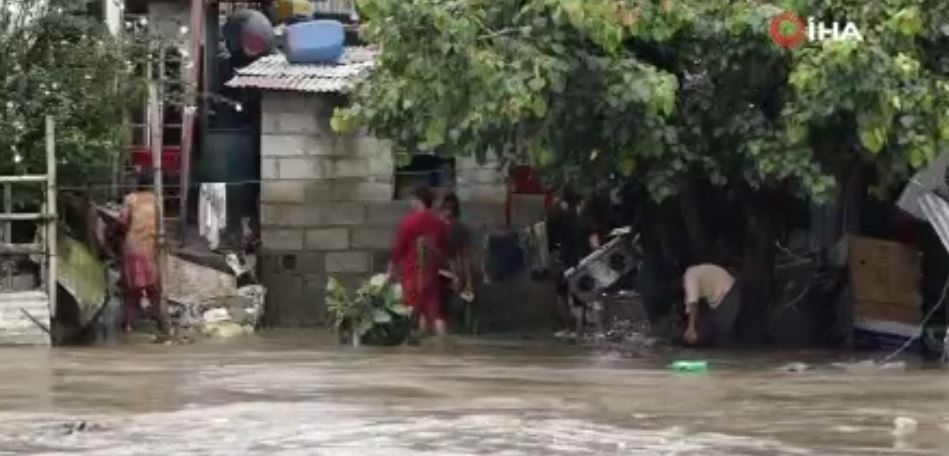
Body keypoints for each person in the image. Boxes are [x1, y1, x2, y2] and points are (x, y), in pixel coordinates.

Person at [388, 186, 450, 336]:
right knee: (435, 315)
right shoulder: (439, 222)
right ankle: (445, 348)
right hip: (431, 273)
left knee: (411, 313)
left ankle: (414, 353)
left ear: (417, 201)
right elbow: (444, 247)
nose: (411, 204)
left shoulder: (408, 222)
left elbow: (398, 248)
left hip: (413, 274)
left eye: (412, 200)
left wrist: (390, 270)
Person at [117, 173, 170, 335]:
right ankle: (163, 325)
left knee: (130, 289)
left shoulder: (130, 199)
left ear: (137, 185)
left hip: (133, 247)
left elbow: (122, 222)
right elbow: (161, 224)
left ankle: (129, 326)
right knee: (155, 288)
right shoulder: (157, 200)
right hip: (152, 248)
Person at [438, 193, 477, 330]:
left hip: (448, 271)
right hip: (449, 271)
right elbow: (466, 256)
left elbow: (465, 256)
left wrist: (468, 282)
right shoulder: (457, 227)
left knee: (442, 309)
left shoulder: (455, 228)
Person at [681, 263, 740, 346]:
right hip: (724, 293)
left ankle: (726, 355)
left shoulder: (689, 278)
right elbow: (689, 309)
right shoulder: (690, 278)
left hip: (727, 290)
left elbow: (693, 304)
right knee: (717, 328)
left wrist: (691, 329)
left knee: (722, 329)